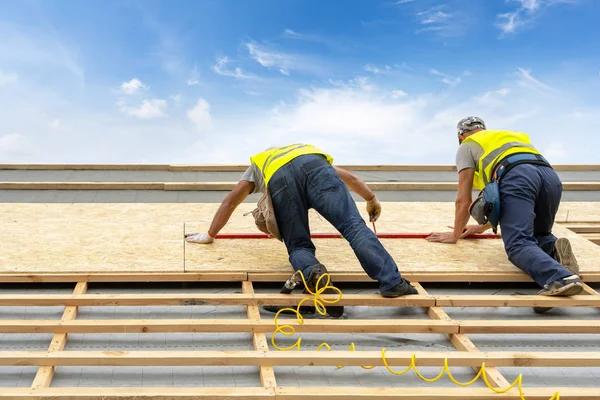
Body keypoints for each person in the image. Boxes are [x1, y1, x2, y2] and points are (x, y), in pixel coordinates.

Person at [186, 144, 417, 317]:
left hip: (280, 180)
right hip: (317, 169)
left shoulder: (262, 163)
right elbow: (350, 178)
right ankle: (392, 283)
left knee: (298, 245)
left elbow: (231, 201)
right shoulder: (305, 151)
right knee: (354, 227)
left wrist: (210, 234)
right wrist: (371, 199)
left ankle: (315, 275)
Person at [428, 117, 583, 310]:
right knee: (539, 235)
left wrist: (455, 234)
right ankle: (554, 250)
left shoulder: (467, 146)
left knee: (518, 244)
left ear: (461, 135)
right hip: (549, 177)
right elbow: (505, 205)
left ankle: (560, 279)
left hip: (517, 175)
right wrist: (482, 227)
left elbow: (464, 200)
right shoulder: (506, 138)